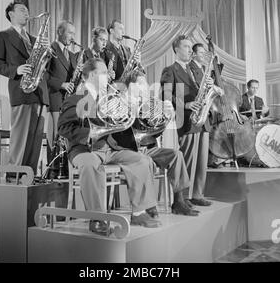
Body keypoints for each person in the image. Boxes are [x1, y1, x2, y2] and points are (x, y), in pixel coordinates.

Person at [57, 58, 162, 235]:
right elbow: (63, 128)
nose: (109, 77)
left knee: (141, 160)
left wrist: (130, 110)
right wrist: (88, 134)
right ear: (92, 75)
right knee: (90, 164)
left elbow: (118, 126)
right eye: (105, 73)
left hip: (110, 148)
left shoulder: (107, 99)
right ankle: (97, 218)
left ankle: (138, 212)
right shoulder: (75, 99)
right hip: (85, 149)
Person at [124, 70, 200, 216]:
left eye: (145, 83)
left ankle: (178, 202)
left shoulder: (149, 104)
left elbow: (154, 132)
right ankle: (148, 205)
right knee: (144, 161)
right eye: (141, 83)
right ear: (131, 86)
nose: (145, 86)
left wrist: (165, 119)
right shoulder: (125, 103)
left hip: (148, 147)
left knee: (176, 155)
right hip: (131, 149)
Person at [0, 1, 49, 175]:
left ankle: (28, 176)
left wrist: (46, 56)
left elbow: (43, 63)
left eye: (27, 10)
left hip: (39, 92)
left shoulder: (33, 39)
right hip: (21, 90)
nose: (27, 13)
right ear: (11, 14)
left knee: (35, 139)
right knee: (21, 138)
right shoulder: (1, 36)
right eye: (22, 10)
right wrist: (16, 70)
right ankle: (13, 175)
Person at [160, 35, 213, 207]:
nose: (191, 50)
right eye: (186, 47)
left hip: (202, 118)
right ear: (176, 49)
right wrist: (187, 104)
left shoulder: (196, 69)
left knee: (202, 159)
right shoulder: (170, 70)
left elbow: (201, 90)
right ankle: (184, 197)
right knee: (188, 159)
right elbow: (166, 95)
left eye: (191, 47)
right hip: (186, 118)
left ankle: (197, 193)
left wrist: (209, 85)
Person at [45, 20, 78, 160]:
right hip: (55, 97)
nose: (72, 37)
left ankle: (64, 166)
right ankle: (52, 166)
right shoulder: (50, 50)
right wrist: (61, 85)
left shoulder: (71, 55)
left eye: (73, 34)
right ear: (59, 32)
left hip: (68, 101)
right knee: (55, 135)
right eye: (70, 32)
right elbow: (43, 74)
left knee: (66, 134)